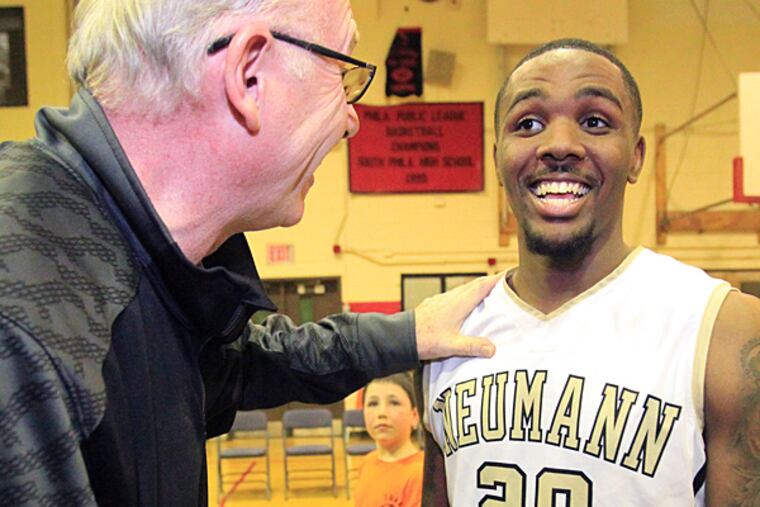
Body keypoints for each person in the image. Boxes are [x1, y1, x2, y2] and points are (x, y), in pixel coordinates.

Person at [0, 1, 499, 505]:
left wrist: (409, 332)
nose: (351, 120)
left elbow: (252, 361)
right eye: (343, 73)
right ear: (249, 74)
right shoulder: (27, 317)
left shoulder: (129, 262)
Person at [419, 38, 760, 506]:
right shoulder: (447, 330)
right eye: (529, 123)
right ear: (498, 157)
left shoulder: (724, 330)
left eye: (595, 122)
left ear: (636, 155)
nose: (559, 145)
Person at [355, 372, 424, 507]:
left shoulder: (420, 473)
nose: (382, 413)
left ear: (415, 416)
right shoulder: (367, 463)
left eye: (394, 403)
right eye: (373, 404)